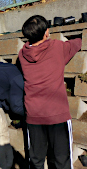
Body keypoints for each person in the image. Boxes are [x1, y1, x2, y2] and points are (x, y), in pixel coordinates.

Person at [18, 15, 82, 169]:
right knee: (63, 160)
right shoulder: (57, 47)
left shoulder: (22, 54)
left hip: (34, 115)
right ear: (46, 33)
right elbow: (77, 43)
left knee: (36, 160)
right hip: (57, 114)